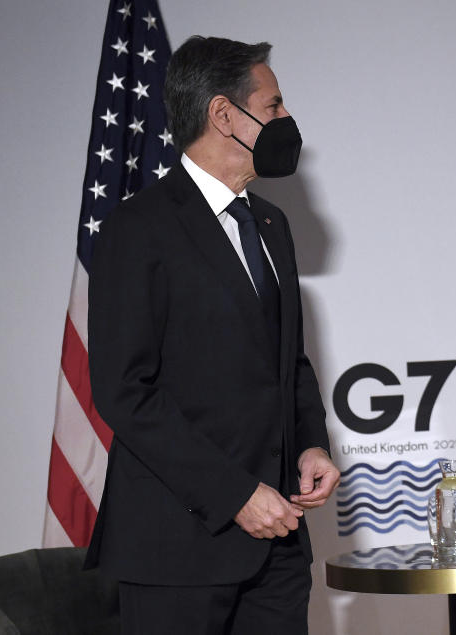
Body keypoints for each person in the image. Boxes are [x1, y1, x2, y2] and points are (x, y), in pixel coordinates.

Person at [85, 36, 340, 634]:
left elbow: (289, 361)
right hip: (178, 549)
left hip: (277, 546)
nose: (286, 120)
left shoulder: (272, 225)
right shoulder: (138, 227)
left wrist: (311, 443)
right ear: (224, 114)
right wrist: (234, 495)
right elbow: (125, 391)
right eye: (274, 105)